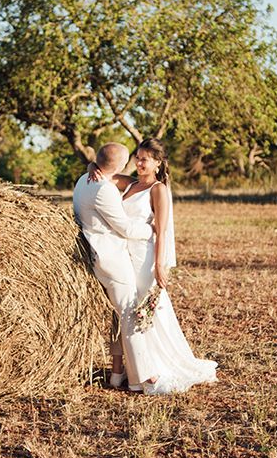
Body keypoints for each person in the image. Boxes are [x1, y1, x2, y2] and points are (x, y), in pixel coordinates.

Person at [89, 138, 217, 395]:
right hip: (126, 257)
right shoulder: (131, 184)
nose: (139, 162)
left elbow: (162, 229)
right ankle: (131, 369)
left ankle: (153, 368)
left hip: (146, 259)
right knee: (125, 310)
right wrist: (93, 164)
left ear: (158, 163)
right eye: (137, 157)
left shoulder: (158, 190)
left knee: (143, 313)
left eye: (145, 159)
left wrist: (160, 265)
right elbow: (107, 170)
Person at [72, 142, 159, 391]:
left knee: (118, 317)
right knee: (130, 313)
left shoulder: (82, 181)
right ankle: (146, 374)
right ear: (121, 166)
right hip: (111, 259)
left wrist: (91, 165)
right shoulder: (104, 190)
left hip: (93, 253)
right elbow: (126, 228)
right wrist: (151, 229)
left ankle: (117, 374)